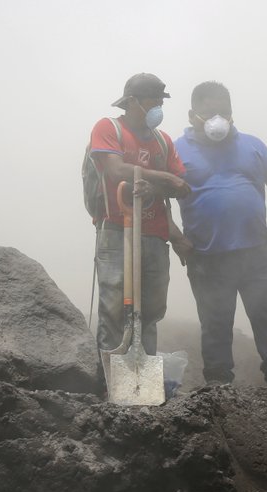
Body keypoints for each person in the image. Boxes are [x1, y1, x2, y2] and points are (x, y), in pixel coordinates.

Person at [175, 81, 267, 387]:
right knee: (215, 323)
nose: (219, 119)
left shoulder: (252, 144)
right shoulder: (176, 150)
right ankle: (218, 384)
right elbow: (158, 195)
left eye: (225, 112)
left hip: (255, 251)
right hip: (207, 255)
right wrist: (175, 236)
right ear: (192, 115)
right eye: (210, 112)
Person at [90, 72, 192, 357]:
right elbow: (115, 169)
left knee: (151, 309)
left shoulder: (163, 141)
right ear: (133, 101)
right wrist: (161, 178)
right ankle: (109, 377)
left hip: (155, 236)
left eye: (162, 100)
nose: (160, 105)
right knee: (113, 305)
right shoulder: (109, 128)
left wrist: (154, 187)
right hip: (115, 230)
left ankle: (143, 373)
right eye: (155, 100)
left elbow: (180, 185)